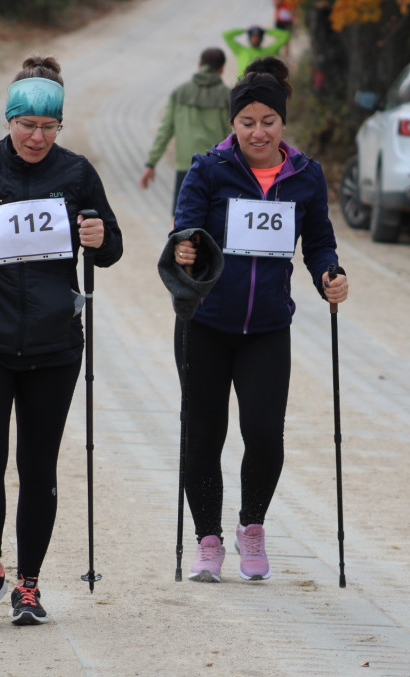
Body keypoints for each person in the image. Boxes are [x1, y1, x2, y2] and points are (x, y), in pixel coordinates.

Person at [0, 55, 123, 625]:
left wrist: (99, 235)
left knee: (39, 467)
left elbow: (110, 250)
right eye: (27, 125)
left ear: (60, 125)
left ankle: (29, 586)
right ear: (9, 119)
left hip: (54, 347)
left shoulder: (78, 173)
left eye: (48, 127)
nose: (37, 137)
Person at [170, 57, 349, 583]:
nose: (257, 132)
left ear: (283, 123)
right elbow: (186, 227)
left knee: (265, 432)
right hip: (205, 323)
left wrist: (329, 274)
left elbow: (318, 242)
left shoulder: (305, 175)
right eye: (247, 122)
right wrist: (184, 248)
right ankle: (206, 539)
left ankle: (252, 526)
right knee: (203, 433)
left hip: (268, 328)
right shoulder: (209, 169)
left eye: (268, 121)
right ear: (232, 125)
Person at [139, 47, 230, 215]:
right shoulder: (227, 96)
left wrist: (150, 163)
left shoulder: (180, 93)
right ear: (222, 68)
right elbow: (232, 135)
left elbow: (165, 131)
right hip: (217, 168)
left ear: (199, 64)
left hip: (186, 168)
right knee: (216, 220)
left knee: (180, 220)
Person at [222, 25, 291, 80]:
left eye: (257, 37)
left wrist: (266, 31)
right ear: (249, 38)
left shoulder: (268, 52)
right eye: (253, 37)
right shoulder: (241, 50)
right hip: (242, 84)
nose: (255, 39)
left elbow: (285, 36)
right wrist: (244, 30)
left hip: (259, 85)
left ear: (261, 39)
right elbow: (226, 35)